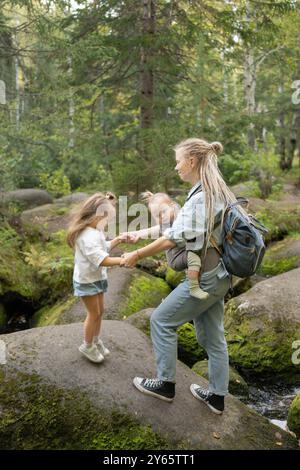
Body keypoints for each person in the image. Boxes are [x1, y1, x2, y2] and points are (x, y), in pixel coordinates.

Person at [121, 138, 242, 415]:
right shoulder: (211, 191)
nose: (176, 167)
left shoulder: (203, 197)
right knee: (212, 338)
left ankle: (165, 384)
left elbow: (173, 238)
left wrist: (137, 254)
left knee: (161, 320)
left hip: (206, 278)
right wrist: (140, 234)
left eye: (178, 161)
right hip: (220, 275)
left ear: (191, 161)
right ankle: (217, 397)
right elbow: (178, 229)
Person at [67, 192, 125, 364]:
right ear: (97, 216)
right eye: (107, 219)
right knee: (93, 313)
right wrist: (123, 260)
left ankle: (96, 339)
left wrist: (117, 241)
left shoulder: (95, 231)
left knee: (100, 311)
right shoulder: (86, 236)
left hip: (97, 278)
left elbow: (103, 248)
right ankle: (87, 345)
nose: (107, 223)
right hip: (87, 281)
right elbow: (102, 260)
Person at [140, 190, 210, 300]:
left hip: (183, 250)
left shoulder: (179, 213)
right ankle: (193, 288)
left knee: (196, 250)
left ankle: (191, 278)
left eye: (163, 211)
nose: (162, 217)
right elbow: (161, 236)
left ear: (172, 207)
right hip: (175, 258)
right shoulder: (166, 224)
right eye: (157, 216)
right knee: (193, 257)